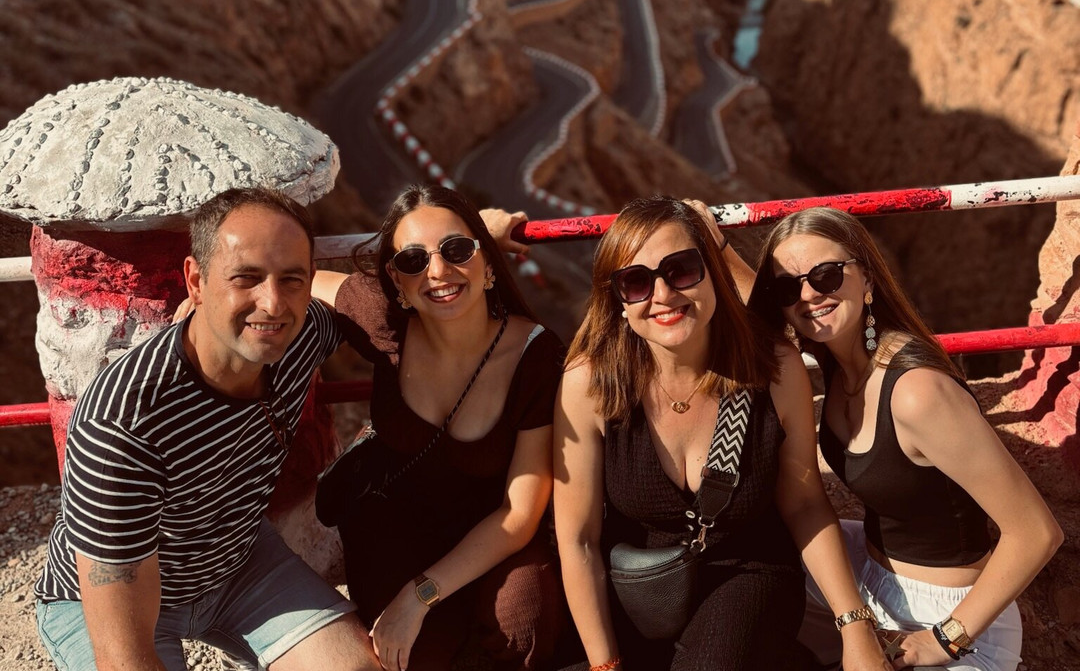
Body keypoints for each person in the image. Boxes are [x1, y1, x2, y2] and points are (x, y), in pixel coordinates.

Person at [34, 186, 381, 671]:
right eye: (246, 277)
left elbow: (386, 307)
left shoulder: (299, 337)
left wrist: (468, 239)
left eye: (291, 279)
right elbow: (123, 658)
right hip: (111, 598)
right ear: (195, 281)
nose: (272, 304)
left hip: (236, 562)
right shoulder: (123, 423)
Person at [553, 196, 889, 671]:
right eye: (636, 281)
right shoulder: (591, 383)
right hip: (641, 590)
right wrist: (604, 665)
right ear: (618, 301)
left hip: (749, 576)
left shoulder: (771, 368)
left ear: (712, 272)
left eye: (681, 270)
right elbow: (579, 540)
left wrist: (855, 626)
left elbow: (805, 504)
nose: (663, 294)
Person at [748, 206, 1063, 670]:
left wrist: (945, 639)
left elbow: (1037, 532)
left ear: (868, 279)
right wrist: (716, 246)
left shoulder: (917, 392)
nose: (809, 294)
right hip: (868, 574)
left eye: (826, 275)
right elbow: (751, 303)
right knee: (749, 559)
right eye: (788, 287)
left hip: (952, 615)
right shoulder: (841, 362)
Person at [312, 184, 564, 671]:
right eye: (413, 259)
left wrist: (419, 595)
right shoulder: (383, 319)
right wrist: (212, 301)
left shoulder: (534, 356)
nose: (438, 271)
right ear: (396, 279)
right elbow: (295, 276)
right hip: (399, 526)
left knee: (522, 623)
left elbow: (518, 515)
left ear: (488, 263)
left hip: (495, 535)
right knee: (406, 657)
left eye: (457, 250)